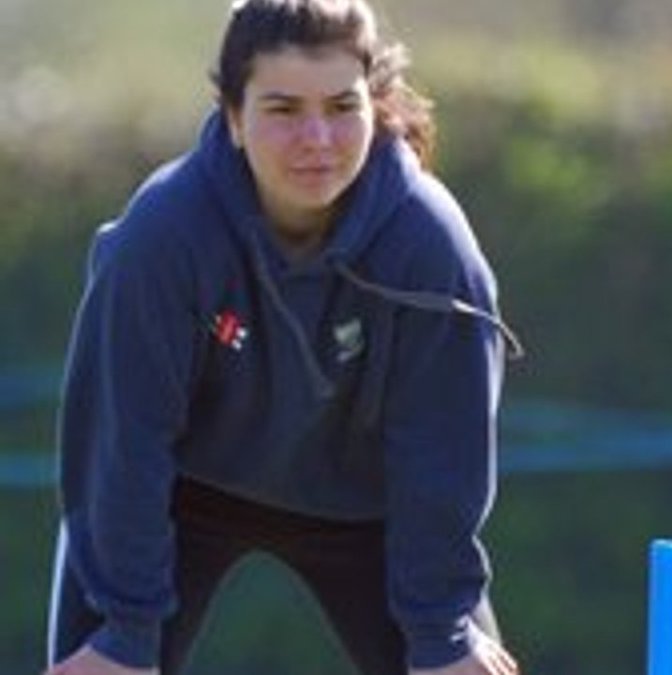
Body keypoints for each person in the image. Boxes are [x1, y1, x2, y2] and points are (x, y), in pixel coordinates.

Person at [43, 1, 521, 673]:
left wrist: (443, 634)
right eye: (284, 109)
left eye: (341, 106)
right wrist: (123, 634)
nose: (318, 138)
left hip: (368, 503)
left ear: (376, 104)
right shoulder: (162, 236)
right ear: (234, 116)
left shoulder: (432, 246)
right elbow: (123, 439)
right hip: (182, 490)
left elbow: (441, 454)